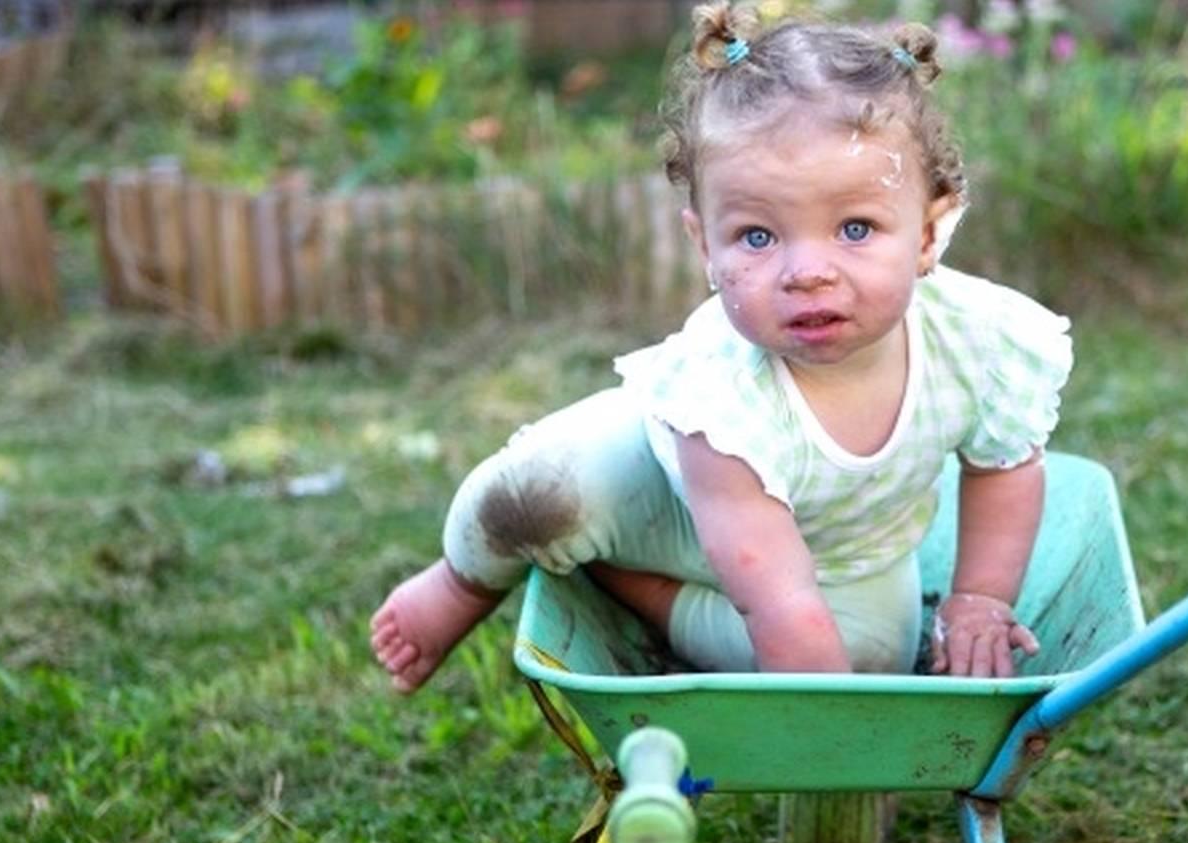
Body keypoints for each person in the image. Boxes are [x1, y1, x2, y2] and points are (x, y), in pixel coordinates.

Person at [369, 1, 1073, 690]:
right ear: (704, 244)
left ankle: (631, 587)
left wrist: (978, 598)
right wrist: (831, 717)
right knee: (532, 492)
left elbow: (1004, 468)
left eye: (855, 228)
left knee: (870, 661)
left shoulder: (978, 341)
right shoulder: (721, 389)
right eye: (758, 237)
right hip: (663, 502)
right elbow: (778, 601)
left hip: (850, 554)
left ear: (927, 233)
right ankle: (458, 585)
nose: (808, 273)